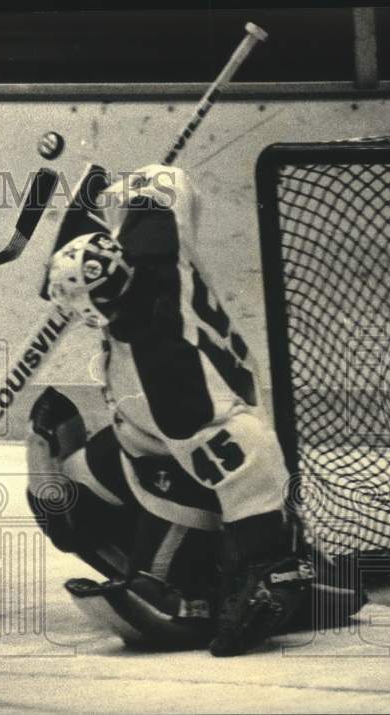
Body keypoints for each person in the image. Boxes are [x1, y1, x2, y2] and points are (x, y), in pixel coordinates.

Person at [30, 163, 362, 656]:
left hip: (189, 463)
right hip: (151, 443)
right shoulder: (154, 251)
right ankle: (207, 564)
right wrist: (124, 188)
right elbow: (165, 182)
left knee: (178, 520)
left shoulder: (165, 374)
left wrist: (268, 565)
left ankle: (195, 586)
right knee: (64, 501)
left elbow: (249, 453)